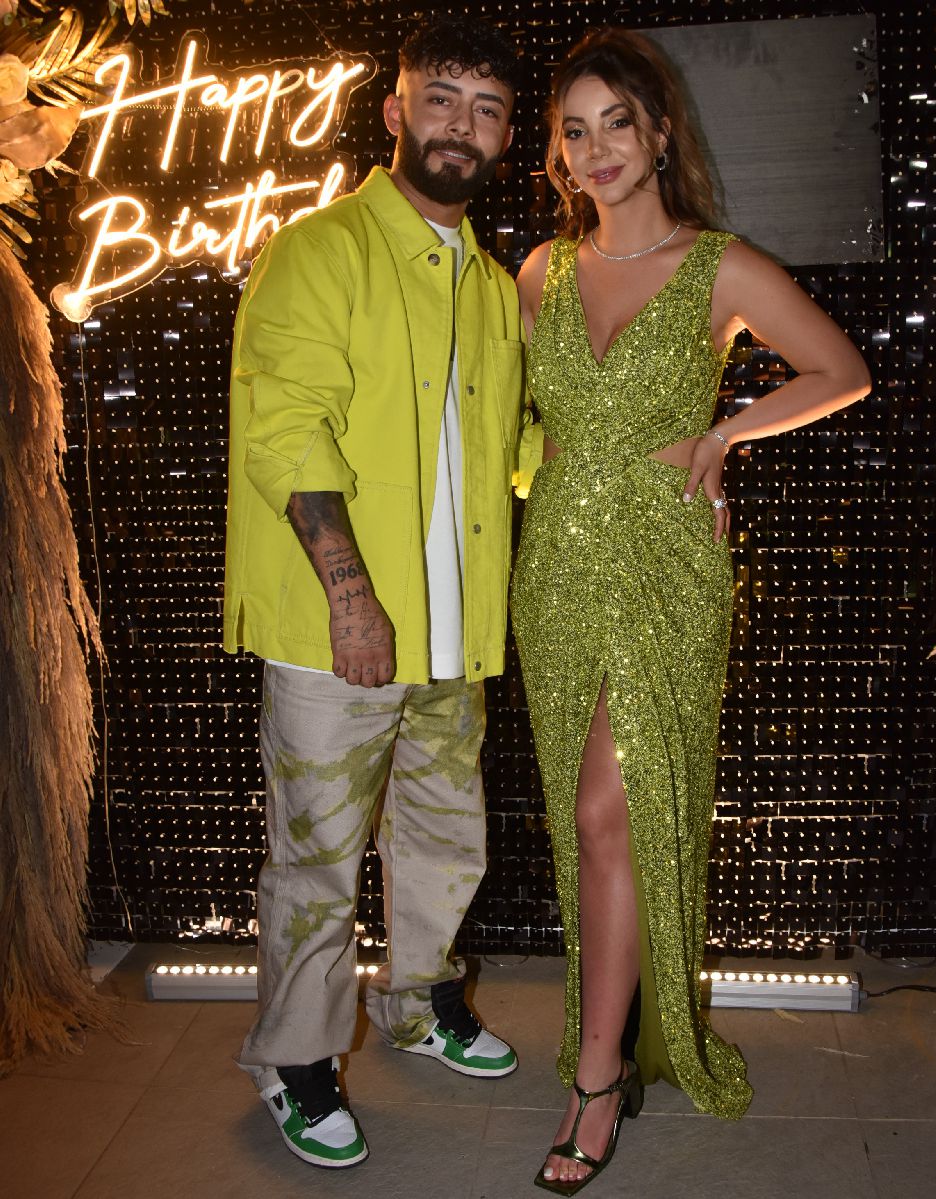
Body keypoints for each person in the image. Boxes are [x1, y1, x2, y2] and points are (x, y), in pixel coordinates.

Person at [510, 29, 872, 1194]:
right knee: (585, 823)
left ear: (659, 131)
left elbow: (839, 369)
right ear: (558, 153)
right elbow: (526, 423)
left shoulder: (719, 265)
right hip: (555, 568)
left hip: (667, 563)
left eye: (615, 122)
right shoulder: (539, 274)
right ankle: (612, 1044)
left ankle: (595, 1080)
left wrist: (724, 434)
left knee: (613, 806)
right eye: (573, 130)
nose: (596, 149)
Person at [223, 15, 526, 1171]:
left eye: (486, 109)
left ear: (506, 136)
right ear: (396, 112)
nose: (461, 126)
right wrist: (349, 594)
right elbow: (284, 428)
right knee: (315, 862)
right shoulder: (319, 249)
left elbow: (503, 447)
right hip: (333, 630)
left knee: (445, 839)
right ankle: (295, 1059)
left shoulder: (489, 285)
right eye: (440, 99)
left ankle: (416, 997)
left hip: (454, 633)